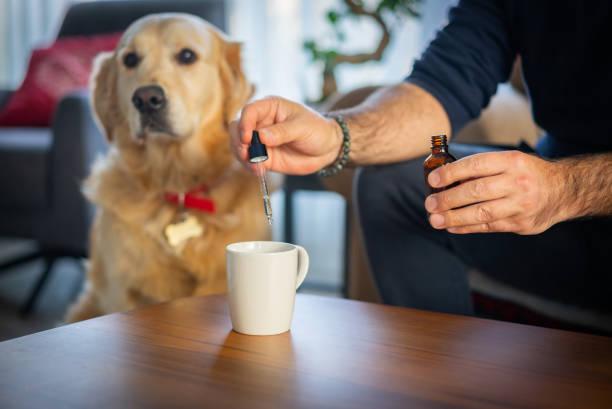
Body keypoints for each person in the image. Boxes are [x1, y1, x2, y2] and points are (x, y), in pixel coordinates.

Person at [230, 0, 612, 316]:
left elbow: (566, 187)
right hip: (558, 231)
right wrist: (336, 135)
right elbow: (438, 88)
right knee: (391, 182)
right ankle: (437, 382)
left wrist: (566, 188)